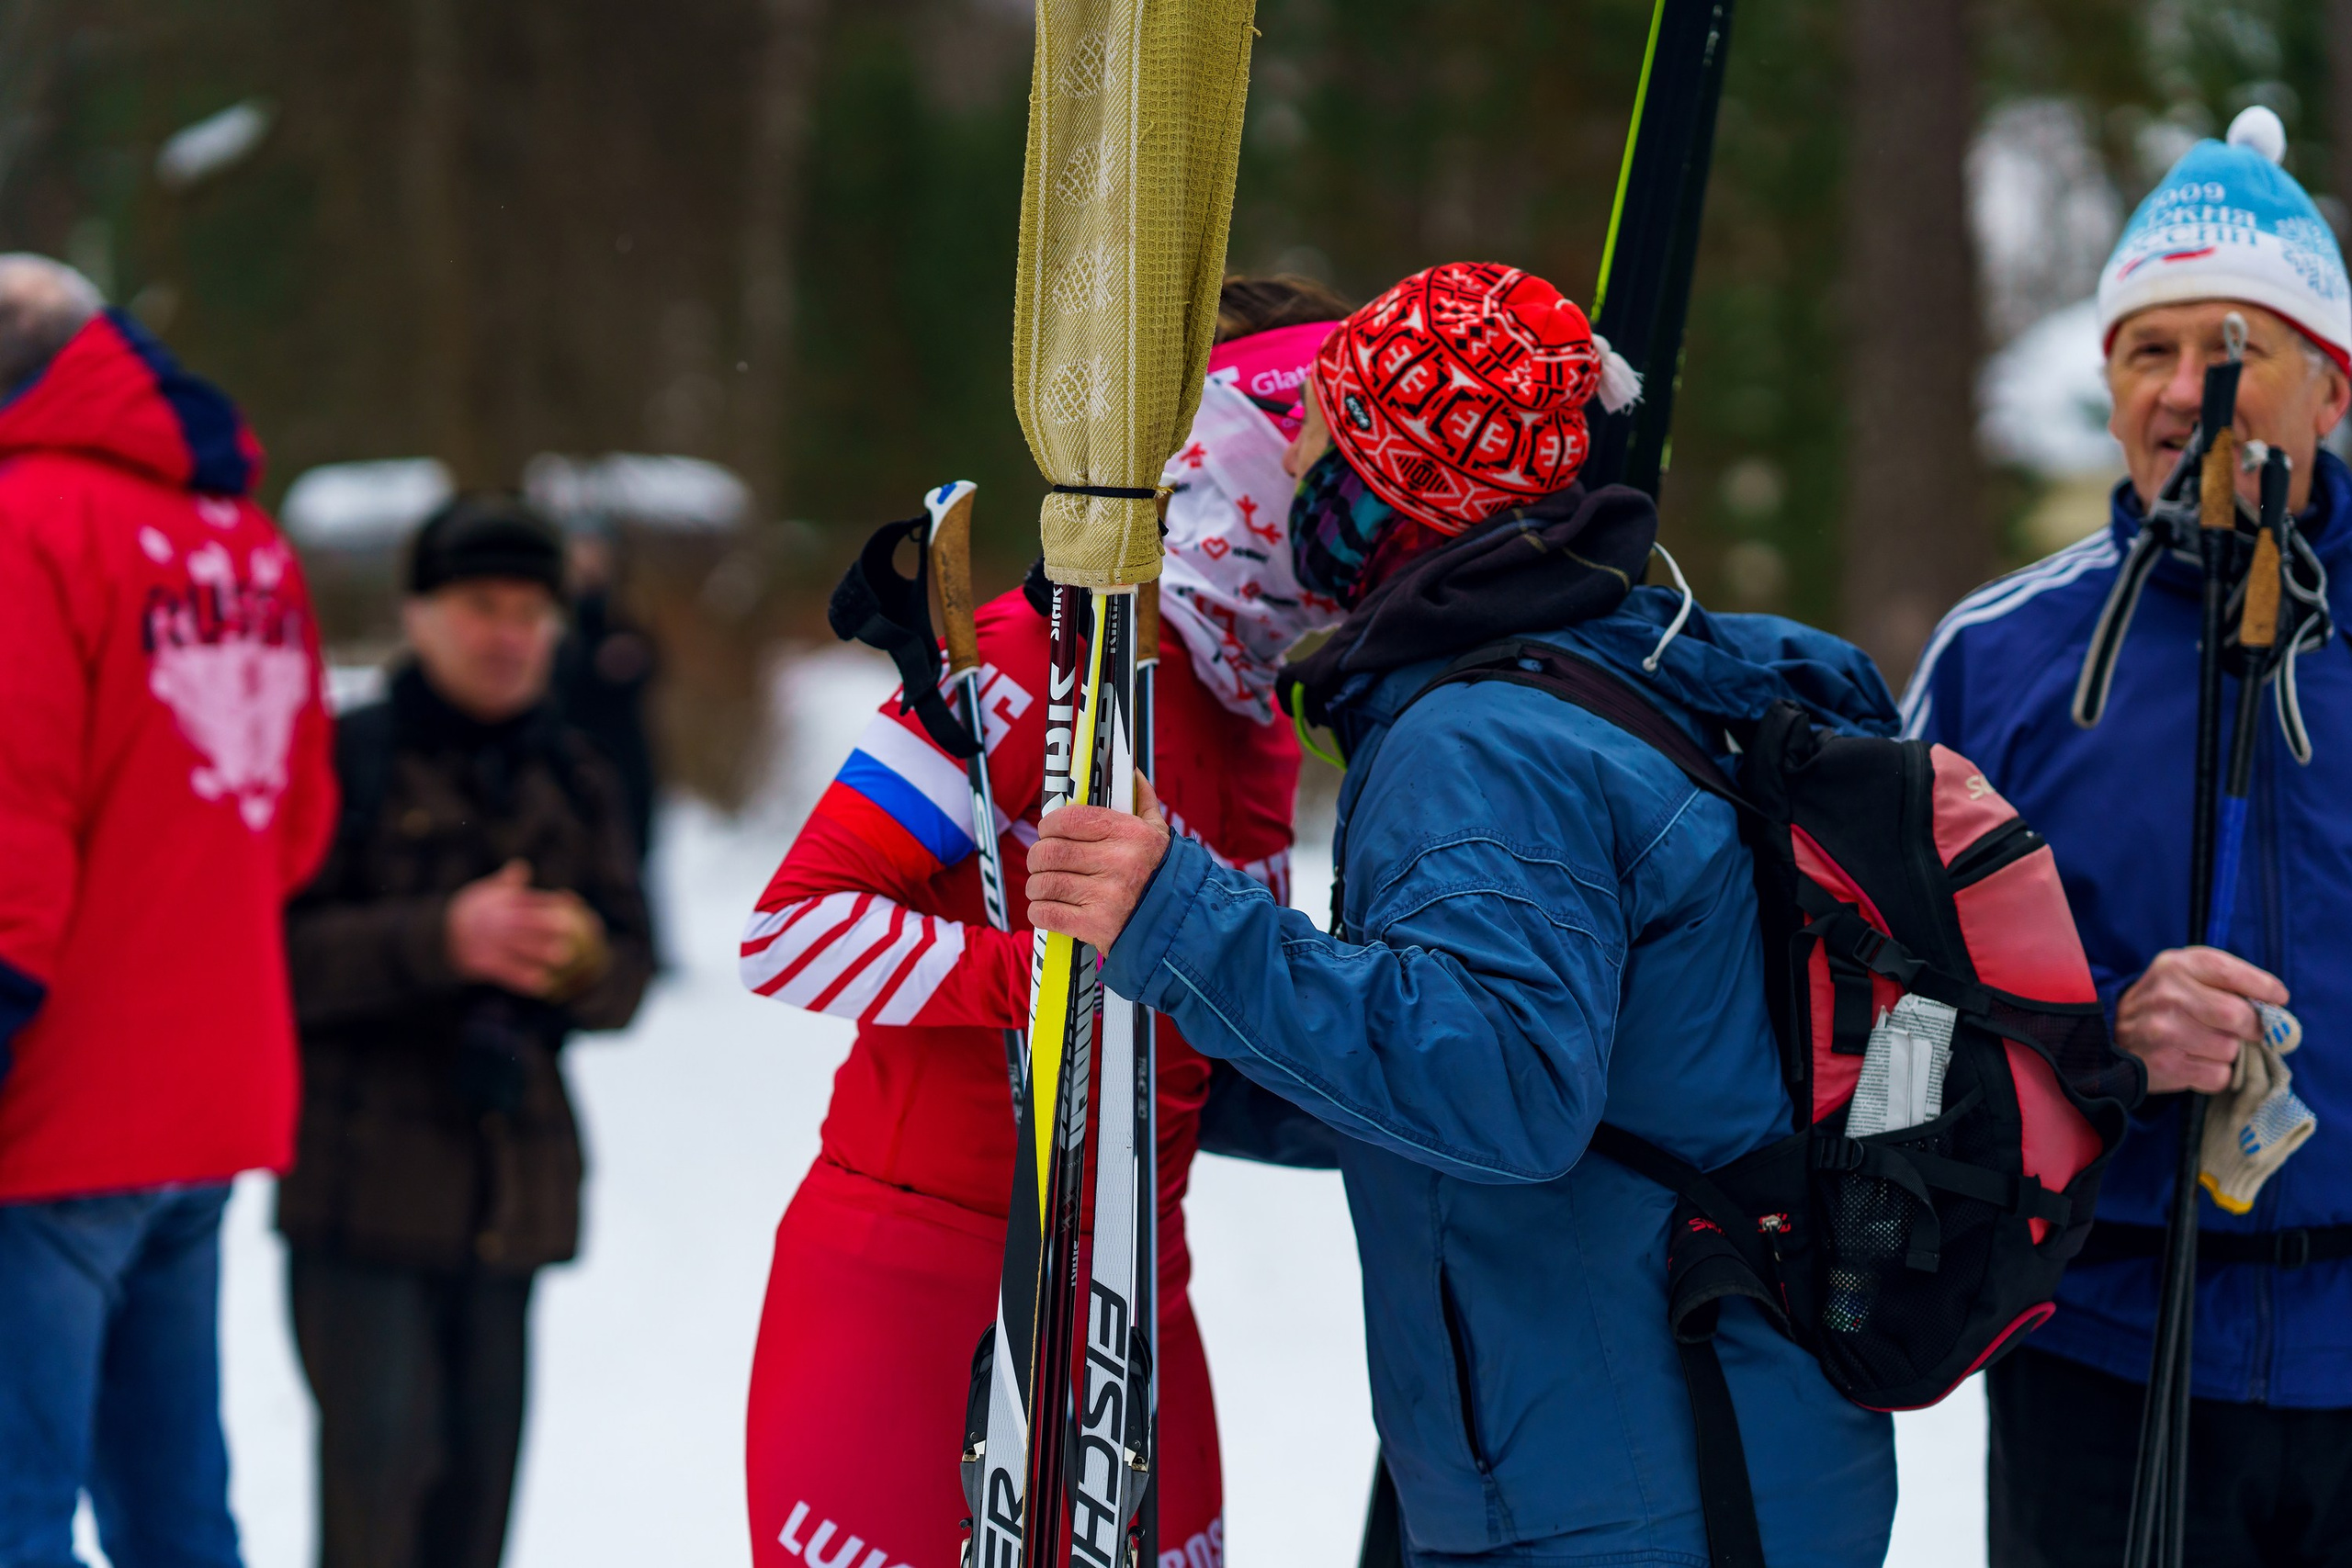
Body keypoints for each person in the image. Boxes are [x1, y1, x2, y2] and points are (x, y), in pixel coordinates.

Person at [1023, 261, 1901, 1565]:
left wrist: (1183, 919)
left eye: (1320, 437)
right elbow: (1576, 1069)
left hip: (1636, 1486)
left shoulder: (1483, 740)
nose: (1286, 480)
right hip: (1724, 1436)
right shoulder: (1623, 661)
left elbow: (1503, 1088)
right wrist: (1197, 1064)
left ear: (1398, 483)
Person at [734, 275, 1350, 1568]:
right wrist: (1046, 975)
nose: (1342, 516)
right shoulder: (1029, 661)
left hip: (1134, 1278)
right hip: (919, 1278)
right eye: (1312, 463)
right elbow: (794, 929)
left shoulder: (1255, 719)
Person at [1903, 107, 2352, 1565]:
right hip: (2102, 1354)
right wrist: (2103, 1036)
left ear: (2330, 386)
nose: (2180, 391)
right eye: (2140, 353)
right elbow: (1883, 1026)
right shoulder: (1999, 660)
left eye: (2227, 345)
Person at [0, 257, 337, 1565]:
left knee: (18, 1510)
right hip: (205, 1095)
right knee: (174, 1505)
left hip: (54, 1106)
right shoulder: (243, 536)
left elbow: (12, 835)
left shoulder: (27, 521)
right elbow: (296, 824)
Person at [277, 494, 654, 1568]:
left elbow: (629, 976)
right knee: (374, 1515)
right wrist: (438, 938)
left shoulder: (576, 775)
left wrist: (579, 958)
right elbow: (271, 960)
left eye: (533, 611)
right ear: (420, 615)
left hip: (509, 1204)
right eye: (482, 606)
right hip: (359, 1203)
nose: (510, 635)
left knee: (473, 1524)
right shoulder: (339, 760)